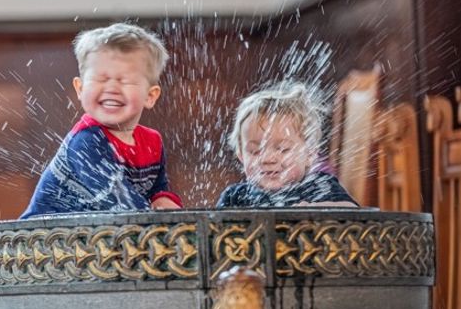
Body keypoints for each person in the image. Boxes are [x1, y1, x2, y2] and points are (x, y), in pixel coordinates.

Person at [21, 23, 182, 218]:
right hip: (45, 233)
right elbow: (121, 202)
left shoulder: (151, 142)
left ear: (150, 96)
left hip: (98, 231)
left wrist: (163, 200)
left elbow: (158, 187)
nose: (112, 88)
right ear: (80, 89)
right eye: (100, 79)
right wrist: (166, 222)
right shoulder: (86, 141)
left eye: (125, 80)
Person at [216, 81, 358, 208]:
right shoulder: (235, 197)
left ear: (310, 154)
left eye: (283, 149)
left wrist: (313, 210)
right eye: (254, 151)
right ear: (241, 156)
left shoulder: (319, 186)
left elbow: (352, 211)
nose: (267, 159)